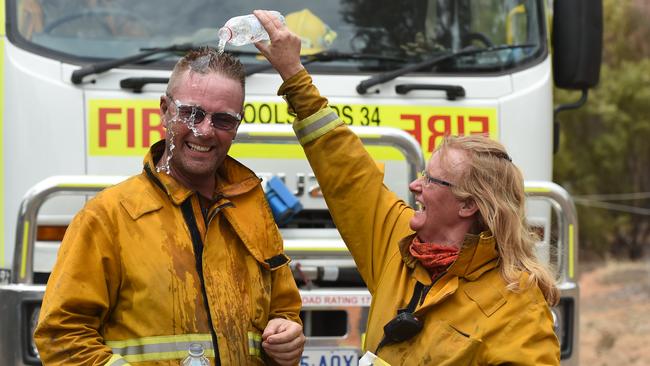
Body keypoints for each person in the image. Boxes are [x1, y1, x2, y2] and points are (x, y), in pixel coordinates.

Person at [253, 9, 560, 365]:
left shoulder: (518, 305)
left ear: (467, 205)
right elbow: (349, 172)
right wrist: (294, 75)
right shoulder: (399, 247)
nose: (415, 185)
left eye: (431, 179)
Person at [34, 48, 305, 366]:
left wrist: (287, 336)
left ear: (236, 125)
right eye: (192, 113)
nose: (204, 130)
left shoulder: (252, 210)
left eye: (223, 120)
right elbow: (61, 338)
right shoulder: (108, 216)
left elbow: (283, 310)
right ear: (165, 110)